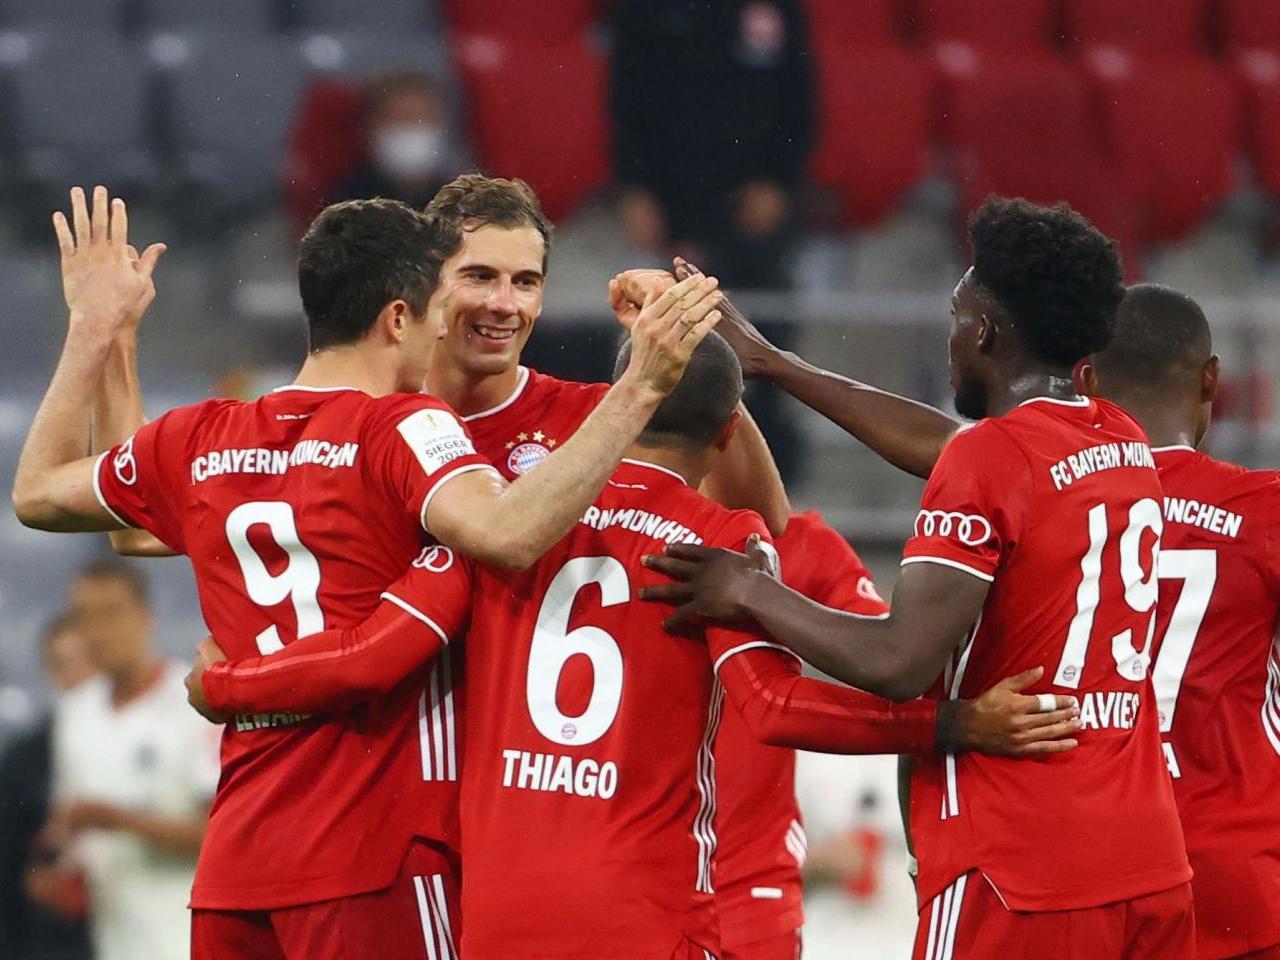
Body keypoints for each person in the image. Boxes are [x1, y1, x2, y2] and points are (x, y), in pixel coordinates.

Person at [187, 332, 1080, 959]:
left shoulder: (506, 522)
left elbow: (374, 654)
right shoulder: (718, 543)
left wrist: (228, 684)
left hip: (496, 917)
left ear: (622, 403)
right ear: (729, 430)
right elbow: (773, 707)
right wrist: (951, 726)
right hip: (642, 916)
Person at [10, 186, 722, 959]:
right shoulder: (404, 431)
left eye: (525, 282)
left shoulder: (203, 434)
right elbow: (508, 532)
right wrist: (642, 385)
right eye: (449, 297)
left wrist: (97, 332)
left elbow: (45, 496)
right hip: (378, 849)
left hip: (238, 861)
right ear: (398, 317)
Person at [643, 198, 1194, 958]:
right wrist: (772, 361)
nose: (951, 336)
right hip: (1147, 863)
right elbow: (952, 447)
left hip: (1021, 868)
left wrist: (748, 590)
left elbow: (900, 664)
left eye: (957, 315)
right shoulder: (1119, 438)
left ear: (986, 334)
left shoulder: (993, 460)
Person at [1078, 284, 1280, 960]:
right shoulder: (1262, 511)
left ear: (1088, 382)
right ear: (1211, 380)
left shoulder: (1044, 499)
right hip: (1229, 873)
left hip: (1085, 871)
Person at [714, 509, 891, 960]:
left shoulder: (797, 541)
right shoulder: (598, 522)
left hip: (750, 883)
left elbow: (893, 658)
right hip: (631, 868)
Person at [45, 560, 218, 960]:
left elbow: (221, 837)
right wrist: (61, 872)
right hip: (113, 941)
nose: (98, 632)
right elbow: (69, 829)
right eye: (85, 617)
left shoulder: (191, 705)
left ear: (146, 618)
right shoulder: (76, 712)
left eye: (111, 613)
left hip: (185, 941)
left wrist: (120, 821)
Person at [610, 0, 814, 290]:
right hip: (667, 192)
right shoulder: (645, 9)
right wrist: (635, 186)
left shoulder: (775, 8)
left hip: (751, 199)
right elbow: (626, 100)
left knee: (756, 306)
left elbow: (797, 98)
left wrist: (777, 179)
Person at [0, 613, 94, 960]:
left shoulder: (160, 743)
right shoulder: (24, 763)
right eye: (64, 664)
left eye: (89, 661)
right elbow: (9, 873)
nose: (78, 677)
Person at [331, 72, 462, 211]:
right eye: (402, 116)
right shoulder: (345, 205)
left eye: (424, 117)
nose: (413, 126)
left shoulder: (460, 202)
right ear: (373, 126)